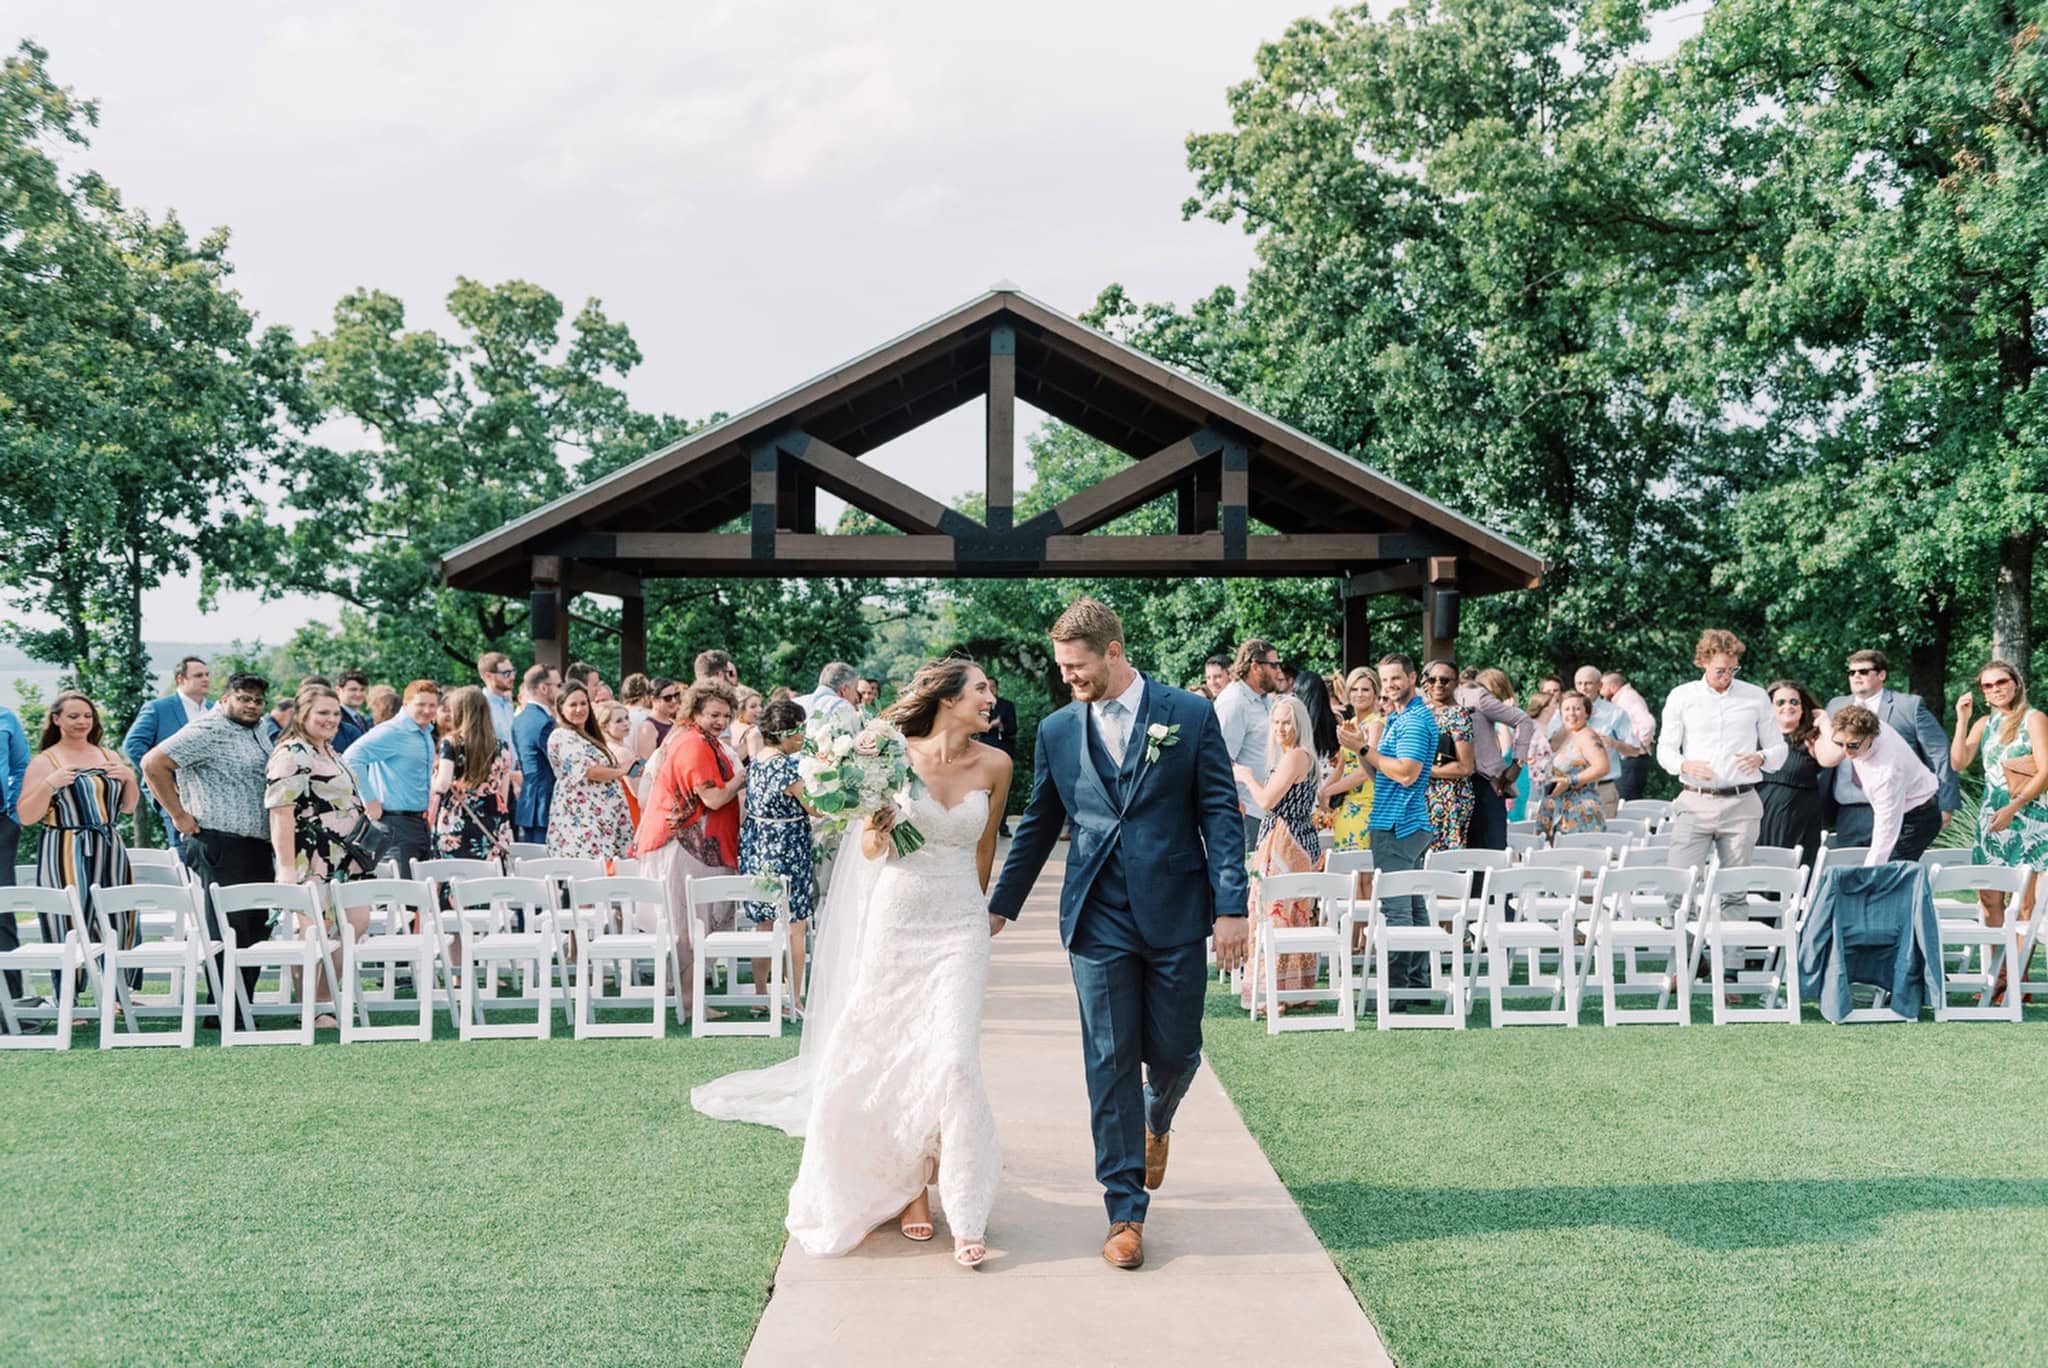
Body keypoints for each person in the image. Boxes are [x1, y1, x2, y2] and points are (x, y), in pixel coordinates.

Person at [696, 658, 1011, 1269]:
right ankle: (910, 1190)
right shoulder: (892, 756)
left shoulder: (996, 764)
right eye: (981, 689)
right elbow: (868, 846)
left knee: (952, 1058)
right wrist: (881, 826)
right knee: (886, 1051)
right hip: (897, 919)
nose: (990, 698)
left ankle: (967, 1207)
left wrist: (981, 913)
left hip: (959, 927)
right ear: (947, 700)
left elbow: (985, 845)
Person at [981, 598, 1246, 1272]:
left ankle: (1159, 1118)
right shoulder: (1058, 730)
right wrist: (997, 908)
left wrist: (1231, 908)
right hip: (1095, 915)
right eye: (1063, 668)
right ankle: (1124, 1209)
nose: (1069, 679)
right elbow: (1040, 822)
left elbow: (1219, 811)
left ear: (1114, 652)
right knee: (1109, 1058)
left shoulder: (1187, 716)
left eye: (1078, 667)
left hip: (1178, 908)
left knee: (1176, 1050)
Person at [141, 672, 275, 1025]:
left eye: (258, 701)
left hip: (255, 845)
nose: (251, 706)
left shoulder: (257, 730)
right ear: (227, 697)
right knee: (230, 928)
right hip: (218, 841)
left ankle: (241, 1006)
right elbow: (153, 763)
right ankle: (226, 1011)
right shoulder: (209, 729)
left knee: (256, 927)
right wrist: (178, 815)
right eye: (244, 698)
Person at [265, 682, 380, 1029]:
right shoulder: (293, 753)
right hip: (313, 855)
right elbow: (280, 811)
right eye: (322, 713)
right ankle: (313, 1008)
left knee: (356, 922)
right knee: (316, 933)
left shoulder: (330, 751)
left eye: (335, 713)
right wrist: (286, 867)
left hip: (348, 858)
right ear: (302, 715)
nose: (331, 719)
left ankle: (327, 997)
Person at [19, 692, 137, 1010]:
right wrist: (50, 785)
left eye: (87, 716)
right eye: (73, 716)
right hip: (64, 847)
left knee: (117, 917)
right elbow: (27, 816)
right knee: (66, 920)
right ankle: (66, 999)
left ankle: (115, 994)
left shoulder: (108, 754)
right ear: (56, 719)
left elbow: (127, 808)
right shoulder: (45, 761)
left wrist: (130, 778)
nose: (82, 722)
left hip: (109, 847)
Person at [635, 681, 747, 1010]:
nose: (721, 721)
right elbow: (713, 798)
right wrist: (740, 779)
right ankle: (687, 999)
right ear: (695, 712)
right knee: (689, 923)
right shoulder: (694, 744)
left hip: (695, 845)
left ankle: (687, 995)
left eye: (726, 715)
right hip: (686, 846)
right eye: (714, 714)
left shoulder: (700, 740)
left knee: (692, 921)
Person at [1656, 630, 1784, 897]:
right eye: (1720, 670)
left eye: (1733, 669)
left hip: (1742, 803)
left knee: (1734, 892)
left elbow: (1779, 749)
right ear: (1702, 662)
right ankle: (1683, 938)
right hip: (1695, 801)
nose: (1727, 676)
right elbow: (1665, 749)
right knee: (1679, 887)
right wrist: (1683, 765)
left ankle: (1730, 939)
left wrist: (1762, 757)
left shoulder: (1755, 695)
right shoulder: (1682, 696)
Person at [1950, 660, 2048, 998]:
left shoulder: (2034, 719)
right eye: (1987, 686)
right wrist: (1962, 720)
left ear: (2015, 683)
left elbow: (2045, 771)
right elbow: (1958, 763)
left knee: (2024, 904)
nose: (1994, 690)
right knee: (1989, 897)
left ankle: (2016, 981)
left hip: (2027, 818)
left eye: (2000, 682)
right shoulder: (1984, 722)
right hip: (1991, 819)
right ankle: (1997, 978)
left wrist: (2014, 807)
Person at [1359, 653, 1438, 1007]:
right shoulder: (1397, 718)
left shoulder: (1415, 721)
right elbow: (1382, 774)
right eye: (1385, 680)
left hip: (1399, 824)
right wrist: (1361, 748)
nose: (1390, 685)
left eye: (1395, 679)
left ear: (1411, 678)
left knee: (1398, 910)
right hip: (1402, 820)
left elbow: (1406, 772)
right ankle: (1416, 986)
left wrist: (1362, 748)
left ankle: (1396, 993)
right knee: (1415, 907)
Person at [1234, 695, 1322, 1013]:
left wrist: (1246, 778)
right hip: (1292, 840)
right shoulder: (1296, 756)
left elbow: (1267, 801)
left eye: (1287, 722)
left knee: (1274, 915)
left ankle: (1275, 994)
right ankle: (1292, 991)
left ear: (1299, 724)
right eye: (1276, 722)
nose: (1281, 728)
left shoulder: (1295, 756)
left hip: (1285, 843)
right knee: (1289, 915)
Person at [1826, 648, 1959, 846]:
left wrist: (1946, 804)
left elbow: (1939, 754)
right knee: (1854, 871)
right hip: (1849, 812)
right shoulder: (1835, 706)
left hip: (1901, 809)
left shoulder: (1909, 706)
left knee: (1892, 871)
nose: (1856, 677)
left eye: (1863, 671)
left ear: (1882, 674)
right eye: (1851, 672)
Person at [737, 699, 818, 1017]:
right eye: (799, 729)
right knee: (795, 926)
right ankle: (793, 1000)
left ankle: (760, 995)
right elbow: (815, 807)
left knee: (764, 924)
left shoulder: (756, 761)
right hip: (787, 848)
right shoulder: (786, 767)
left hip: (759, 847)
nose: (803, 735)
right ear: (785, 732)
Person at [1812, 704, 1940, 865]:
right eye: (1840, 744)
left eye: (1853, 745)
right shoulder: (1862, 725)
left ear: (1872, 737)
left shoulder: (1886, 772)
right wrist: (1824, 721)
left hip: (1919, 817)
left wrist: (1871, 871)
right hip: (1901, 805)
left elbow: (1886, 830)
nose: (1845, 752)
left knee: (1888, 874)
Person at [343, 681, 440, 877]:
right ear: (406, 704)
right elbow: (351, 758)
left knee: (419, 895)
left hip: (419, 823)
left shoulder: (425, 732)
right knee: (401, 896)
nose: (427, 710)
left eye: (432, 705)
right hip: (394, 824)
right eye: (421, 705)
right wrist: (368, 799)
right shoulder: (393, 731)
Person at [121, 655, 212, 854]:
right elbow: (133, 746)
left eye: (207, 675)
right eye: (198, 675)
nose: (205, 679)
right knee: (185, 852)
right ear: (181, 679)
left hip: (211, 796)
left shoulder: (215, 710)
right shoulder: (158, 708)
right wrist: (162, 777)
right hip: (176, 796)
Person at [544, 682, 635, 862]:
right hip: (583, 825)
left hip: (605, 822)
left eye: (583, 703)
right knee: (587, 877)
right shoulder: (561, 736)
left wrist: (625, 766)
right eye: (573, 704)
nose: (580, 709)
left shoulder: (589, 736)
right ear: (561, 708)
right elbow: (590, 771)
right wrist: (621, 771)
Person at [431, 686, 516, 864]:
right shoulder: (502, 746)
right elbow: (503, 791)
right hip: (493, 817)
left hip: (458, 817)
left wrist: (432, 779)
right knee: (489, 875)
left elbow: (443, 785)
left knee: (456, 874)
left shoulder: (451, 743)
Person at [1454, 667, 1535, 851]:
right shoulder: (1424, 704)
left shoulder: (1479, 700)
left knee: (1490, 851)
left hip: (1485, 781)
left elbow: (1523, 722)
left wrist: (1518, 763)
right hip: (1446, 787)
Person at [1214, 638, 1282, 851]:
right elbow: (1219, 758)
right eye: (1273, 665)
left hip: (1268, 811)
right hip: (1247, 813)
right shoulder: (1234, 701)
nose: (1278, 671)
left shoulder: (1264, 699)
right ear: (1255, 666)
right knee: (1251, 882)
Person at [1548, 665, 1640, 817]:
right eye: (1579, 683)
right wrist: (1568, 726)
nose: (1584, 688)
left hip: (1601, 788)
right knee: (1566, 839)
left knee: (1600, 839)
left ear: (1600, 685)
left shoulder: (1615, 713)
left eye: (1588, 683)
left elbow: (1635, 750)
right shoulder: (1563, 712)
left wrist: (1614, 744)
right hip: (1566, 789)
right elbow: (1550, 746)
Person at [1758, 681, 1829, 859]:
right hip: (1759, 818)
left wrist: (1826, 722)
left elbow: (1832, 757)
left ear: (1803, 707)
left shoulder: (1812, 739)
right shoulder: (1757, 738)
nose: (1787, 706)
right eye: (1780, 702)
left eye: (1794, 702)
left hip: (1798, 820)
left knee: (1792, 876)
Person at [1420, 660, 1477, 853]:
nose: (1437, 684)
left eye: (1444, 680)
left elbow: (1465, 767)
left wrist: (1424, 771)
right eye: (1432, 679)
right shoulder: (1421, 712)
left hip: (1449, 798)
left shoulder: (1459, 715)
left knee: (1443, 861)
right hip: (1421, 798)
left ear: (1455, 684)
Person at [1536, 690, 1610, 838]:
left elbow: (1602, 767)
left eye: (1577, 709)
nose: (1572, 713)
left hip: (1579, 810)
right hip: (1555, 807)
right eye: (1567, 709)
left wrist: (1571, 781)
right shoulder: (1563, 734)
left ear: (1587, 713)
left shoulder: (1587, 736)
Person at [1324, 667, 1380, 855]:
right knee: (1348, 872)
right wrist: (1323, 792)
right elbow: (1341, 765)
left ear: (1375, 693)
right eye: (1355, 689)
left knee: (1363, 875)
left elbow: (1366, 770)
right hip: (1346, 806)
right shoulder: (1350, 723)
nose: (1359, 694)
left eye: (1365, 689)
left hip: (1367, 804)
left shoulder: (1376, 725)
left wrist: (1330, 790)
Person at [511, 664, 558, 844]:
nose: (560, 690)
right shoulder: (544, 722)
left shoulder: (520, 719)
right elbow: (557, 762)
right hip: (545, 802)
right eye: (558, 685)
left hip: (529, 798)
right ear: (544, 688)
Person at [1601, 671, 1658, 802]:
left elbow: (1648, 723)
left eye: (1602, 686)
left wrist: (1637, 746)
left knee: (1626, 802)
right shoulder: (1623, 698)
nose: (1600, 690)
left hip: (1630, 759)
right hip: (1627, 760)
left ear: (1614, 686)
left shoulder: (1627, 698)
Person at [976, 675, 1019, 837]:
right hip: (983, 751)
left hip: (1002, 750)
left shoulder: (1006, 706)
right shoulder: (978, 706)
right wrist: (990, 726)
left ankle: (1002, 825)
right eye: (986, 687)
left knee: (1002, 790)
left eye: (992, 687)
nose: (990, 690)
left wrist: (1001, 727)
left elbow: (1013, 729)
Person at [596, 699, 644, 830]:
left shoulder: (610, 747)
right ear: (604, 726)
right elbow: (637, 790)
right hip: (633, 810)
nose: (626, 724)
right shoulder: (621, 752)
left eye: (627, 718)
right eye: (619, 721)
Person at [631, 676, 680, 761]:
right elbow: (644, 762)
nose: (674, 701)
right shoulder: (648, 727)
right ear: (654, 699)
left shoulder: (672, 722)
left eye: (676, 696)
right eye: (668, 698)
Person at [799, 662, 861, 728]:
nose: (857, 697)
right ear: (844, 689)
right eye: (855, 689)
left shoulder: (797, 702)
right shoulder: (842, 706)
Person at [478, 651, 519, 749]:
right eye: (506, 673)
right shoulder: (480, 706)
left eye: (513, 671)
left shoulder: (508, 705)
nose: (512, 677)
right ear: (488, 676)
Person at [333, 669, 374, 751]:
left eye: (362, 690)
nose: (358, 694)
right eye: (353, 689)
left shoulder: (360, 719)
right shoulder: (336, 718)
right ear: (338, 690)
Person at [732, 687, 766, 763]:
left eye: (760, 705)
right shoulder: (753, 733)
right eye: (753, 706)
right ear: (740, 709)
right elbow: (758, 765)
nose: (760, 709)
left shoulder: (727, 728)